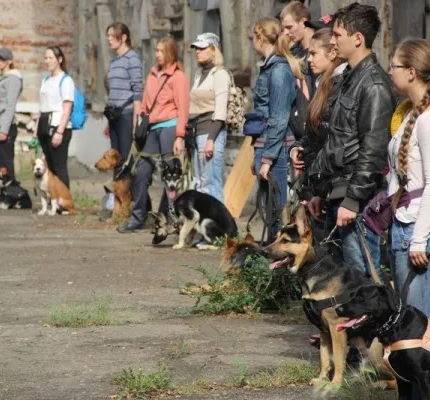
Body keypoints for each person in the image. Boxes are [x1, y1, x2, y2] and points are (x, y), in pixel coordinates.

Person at [308, 3, 397, 278]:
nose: (332, 40)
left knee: (364, 281)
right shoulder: (347, 77)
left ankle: (375, 323)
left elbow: (373, 150)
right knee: (345, 281)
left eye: (337, 34)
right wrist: (320, 192)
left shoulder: (374, 85)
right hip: (337, 192)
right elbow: (335, 139)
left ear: (357, 38)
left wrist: (352, 200)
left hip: (356, 200)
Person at [118, 36, 189, 233]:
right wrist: (138, 127)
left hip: (170, 127)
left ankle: (164, 218)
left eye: (160, 50)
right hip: (152, 128)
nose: (156, 54)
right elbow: (146, 106)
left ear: (170, 53)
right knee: (141, 171)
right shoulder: (151, 75)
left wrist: (180, 136)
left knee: (170, 175)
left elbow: (183, 107)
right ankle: (138, 216)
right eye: (156, 50)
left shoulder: (178, 77)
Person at [387, 38, 430, 320]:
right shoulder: (409, 113)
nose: (389, 71)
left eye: (394, 65)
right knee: (406, 310)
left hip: (415, 227)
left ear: (411, 72)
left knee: (416, 316)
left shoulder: (426, 120)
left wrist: (418, 240)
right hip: (402, 222)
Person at [251, 17, 302, 243]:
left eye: (253, 37)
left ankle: (279, 271)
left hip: (277, 150)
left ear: (260, 37)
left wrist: (268, 158)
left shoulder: (279, 70)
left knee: (277, 213)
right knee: (270, 212)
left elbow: (279, 117)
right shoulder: (269, 67)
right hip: (266, 145)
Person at [290, 28, 346, 204]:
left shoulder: (342, 85)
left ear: (332, 53)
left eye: (314, 53)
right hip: (320, 184)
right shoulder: (320, 82)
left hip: (335, 183)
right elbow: (314, 130)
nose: (309, 59)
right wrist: (297, 147)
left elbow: (332, 137)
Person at [189, 33, 230, 203]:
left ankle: (220, 226)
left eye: (202, 48)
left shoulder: (219, 74)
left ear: (214, 50)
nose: (198, 51)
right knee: (200, 184)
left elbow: (220, 111)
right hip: (197, 132)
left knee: (211, 183)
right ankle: (205, 226)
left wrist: (211, 140)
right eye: (196, 48)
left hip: (211, 132)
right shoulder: (199, 74)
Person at [35, 46, 75, 189]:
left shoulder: (66, 80)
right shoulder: (45, 80)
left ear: (59, 60)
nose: (47, 61)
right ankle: (54, 202)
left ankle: (65, 203)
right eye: (46, 58)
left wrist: (59, 132)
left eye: (51, 58)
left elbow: (67, 108)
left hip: (58, 126)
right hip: (44, 124)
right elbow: (42, 106)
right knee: (49, 166)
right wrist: (36, 129)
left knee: (59, 166)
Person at [104, 22, 143, 161]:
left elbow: (138, 92)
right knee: (115, 160)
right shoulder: (114, 62)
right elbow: (113, 93)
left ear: (124, 37)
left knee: (126, 160)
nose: (109, 39)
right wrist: (109, 123)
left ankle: (127, 183)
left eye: (112, 35)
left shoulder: (132, 58)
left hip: (127, 115)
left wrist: (135, 124)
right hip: (114, 116)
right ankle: (117, 183)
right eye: (107, 35)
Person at [0, 48, 22, 180]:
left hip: (6, 127)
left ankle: (13, 196)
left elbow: (10, 106)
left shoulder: (13, 79)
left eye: (2, 59)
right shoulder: (3, 77)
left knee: (6, 167)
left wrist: (3, 130)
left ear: (9, 61)